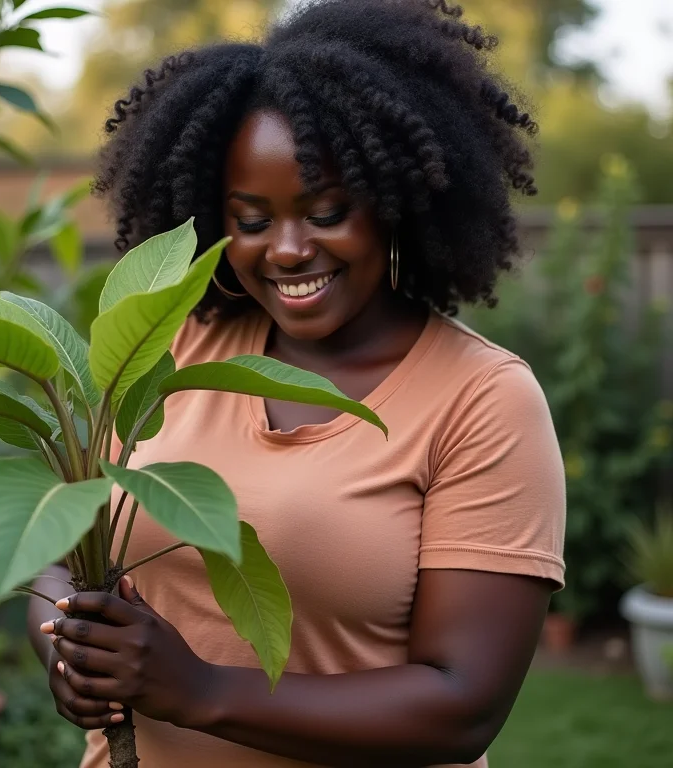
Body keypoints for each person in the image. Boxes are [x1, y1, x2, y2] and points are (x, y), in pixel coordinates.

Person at [27, 1, 566, 766]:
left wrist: (198, 690)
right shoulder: (171, 343)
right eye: (251, 219)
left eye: (327, 212)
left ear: (396, 201)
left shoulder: (483, 400)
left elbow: (461, 704)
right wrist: (65, 648)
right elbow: (61, 547)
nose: (286, 249)